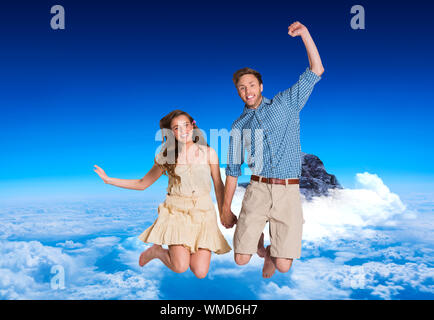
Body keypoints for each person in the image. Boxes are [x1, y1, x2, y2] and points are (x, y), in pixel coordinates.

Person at [221, 21, 325, 278]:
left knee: (283, 266)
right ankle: (261, 250)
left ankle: (271, 253)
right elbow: (233, 170)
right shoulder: (238, 125)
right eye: (242, 88)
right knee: (241, 259)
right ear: (238, 92)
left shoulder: (285, 104)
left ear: (261, 86)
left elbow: (316, 69)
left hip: (287, 191)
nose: (247, 91)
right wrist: (224, 208)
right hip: (257, 190)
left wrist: (305, 34)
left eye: (251, 85)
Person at [94, 110, 231, 279]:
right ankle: (157, 251)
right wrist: (109, 180)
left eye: (186, 125)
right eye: (176, 128)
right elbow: (142, 183)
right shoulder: (166, 157)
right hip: (176, 213)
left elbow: (218, 184)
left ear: (193, 125)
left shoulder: (208, 153)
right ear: (170, 133)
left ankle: (170, 250)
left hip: (203, 213)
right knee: (180, 267)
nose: (183, 131)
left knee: (200, 272)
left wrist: (226, 211)